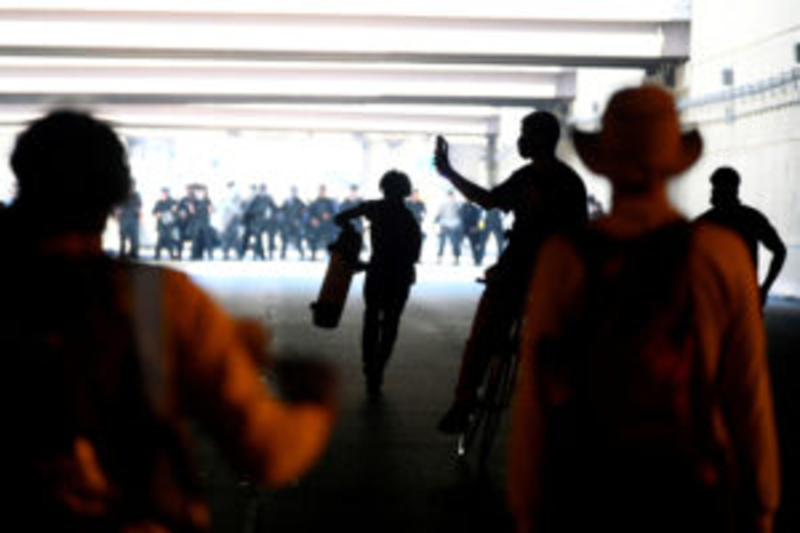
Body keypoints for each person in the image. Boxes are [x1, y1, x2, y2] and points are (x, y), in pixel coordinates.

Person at [1, 110, 338, 532]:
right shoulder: (157, 299)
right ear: (117, 196)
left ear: (22, 180)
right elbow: (266, 453)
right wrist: (316, 401)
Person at [508, 86, 780, 533]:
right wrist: (763, 502)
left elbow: (536, 392)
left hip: (588, 484)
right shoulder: (720, 253)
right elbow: (747, 388)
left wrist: (525, 503)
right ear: (676, 162)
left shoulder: (565, 257)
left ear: (603, 162)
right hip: (692, 486)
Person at [434, 111, 587, 433]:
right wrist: (448, 174)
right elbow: (490, 200)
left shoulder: (561, 182)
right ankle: (467, 402)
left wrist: (450, 173)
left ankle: (464, 403)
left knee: (483, 338)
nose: (521, 140)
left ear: (543, 138)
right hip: (540, 271)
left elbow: (488, 200)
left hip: (529, 269)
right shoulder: (539, 178)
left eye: (526, 133)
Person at [335, 171, 422, 398]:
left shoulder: (373, 208)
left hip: (377, 272)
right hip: (400, 275)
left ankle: (368, 363)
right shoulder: (409, 218)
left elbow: (340, 218)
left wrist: (351, 236)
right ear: (405, 191)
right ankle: (379, 367)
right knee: (391, 322)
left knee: (371, 318)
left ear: (383, 188)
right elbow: (414, 254)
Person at [698, 167, 786, 306]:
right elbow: (780, 251)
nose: (713, 192)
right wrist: (765, 288)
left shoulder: (704, 222)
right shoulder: (752, 217)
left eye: (716, 188)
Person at [117, 179, 142, 260]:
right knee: (123, 237)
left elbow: (139, 206)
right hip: (124, 219)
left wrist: (139, 217)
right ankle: (122, 253)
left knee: (134, 238)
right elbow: (117, 207)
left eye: (133, 185)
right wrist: (118, 213)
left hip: (133, 219)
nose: (131, 187)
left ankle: (134, 253)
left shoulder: (137, 195)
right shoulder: (122, 194)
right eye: (130, 185)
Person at [434, 190, 462, 265]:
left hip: (454, 225)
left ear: (454, 196)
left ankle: (456, 259)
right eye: (449, 195)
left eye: (452, 196)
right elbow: (439, 214)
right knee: (442, 242)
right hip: (444, 225)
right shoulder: (443, 204)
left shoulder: (457, 204)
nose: (450, 197)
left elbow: (461, 214)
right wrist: (436, 221)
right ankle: (439, 258)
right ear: (447, 196)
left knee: (455, 243)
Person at [152, 187, 179, 260]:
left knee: (170, 239)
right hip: (161, 224)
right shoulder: (159, 202)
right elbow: (154, 212)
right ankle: (157, 255)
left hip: (170, 224)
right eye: (163, 193)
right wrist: (157, 214)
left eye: (166, 193)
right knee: (160, 239)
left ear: (168, 193)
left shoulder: (172, 201)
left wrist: (175, 209)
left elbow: (176, 210)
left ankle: (171, 255)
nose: (164, 194)